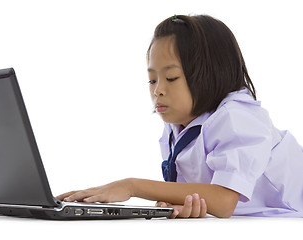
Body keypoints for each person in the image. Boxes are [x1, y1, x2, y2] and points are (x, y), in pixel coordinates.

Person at [57, 14, 303, 218]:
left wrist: (132, 186)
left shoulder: (237, 117)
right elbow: (201, 196)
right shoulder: (178, 126)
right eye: (152, 79)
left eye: (171, 78)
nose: (157, 90)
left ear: (211, 73)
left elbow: (224, 200)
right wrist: (176, 201)